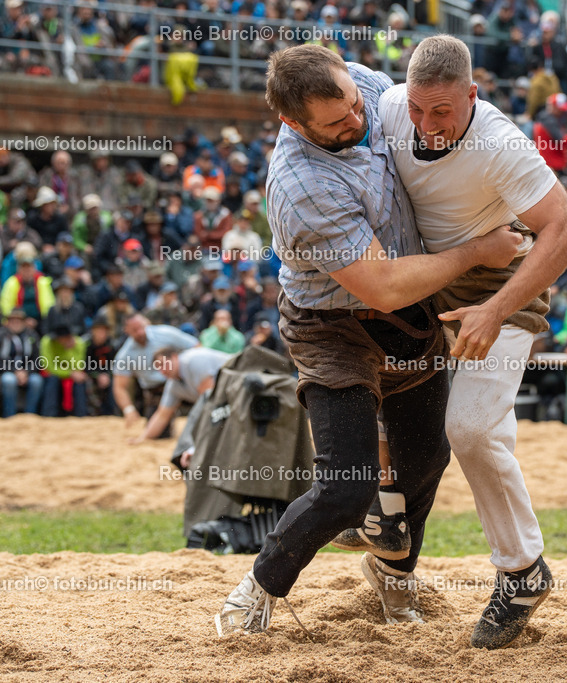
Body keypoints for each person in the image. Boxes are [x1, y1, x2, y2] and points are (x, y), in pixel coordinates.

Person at [215, 45, 523, 640]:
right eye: (336, 122)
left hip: (411, 310)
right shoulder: (302, 186)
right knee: (347, 486)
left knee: (426, 458)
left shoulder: (360, 82)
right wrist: (478, 251)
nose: (356, 120)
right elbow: (381, 286)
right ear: (293, 123)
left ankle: (393, 575)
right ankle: (259, 586)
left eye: (356, 105)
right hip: (334, 326)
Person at [373, 35, 567, 649]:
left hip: (499, 293)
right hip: (424, 287)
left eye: (442, 111)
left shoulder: (501, 144)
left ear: (473, 94)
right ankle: (384, 533)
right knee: (385, 397)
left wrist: (494, 309)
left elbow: (563, 233)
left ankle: (522, 572)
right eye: (417, 109)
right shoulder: (389, 105)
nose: (426, 125)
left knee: (468, 428)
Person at [112, 314, 199, 434]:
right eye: (135, 330)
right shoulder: (125, 355)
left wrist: (191, 374)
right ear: (126, 331)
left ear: (146, 323)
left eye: (141, 327)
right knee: (159, 433)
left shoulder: (166, 333)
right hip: (155, 391)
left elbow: (196, 347)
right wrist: (128, 409)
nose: (140, 332)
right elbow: (119, 387)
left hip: (180, 382)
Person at [128, 346, 229, 444]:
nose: (163, 371)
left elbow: (209, 401)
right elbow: (162, 415)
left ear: (174, 357)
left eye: (164, 364)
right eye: (159, 368)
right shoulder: (173, 384)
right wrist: (143, 438)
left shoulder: (193, 360)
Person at [0, 308, 44, 417]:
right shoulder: (0, 335)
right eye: (12, 320)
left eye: (19, 320)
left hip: (28, 372)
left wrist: (26, 372)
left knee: (36, 381)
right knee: (9, 381)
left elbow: (37, 359)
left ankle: (30, 415)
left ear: (24, 322)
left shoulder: (32, 335)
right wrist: (14, 371)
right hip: (7, 371)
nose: (15, 323)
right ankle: (9, 415)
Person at [39, 324, 88, 417]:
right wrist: (69, 373)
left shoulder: (79, 343)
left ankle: (81, 416)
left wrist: (70, 350)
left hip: (70, 374)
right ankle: (49, 415)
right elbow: (49, 367)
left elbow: (78, 367)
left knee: (79, 381)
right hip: (54, 374)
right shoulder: (47, 342)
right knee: (52, 380)